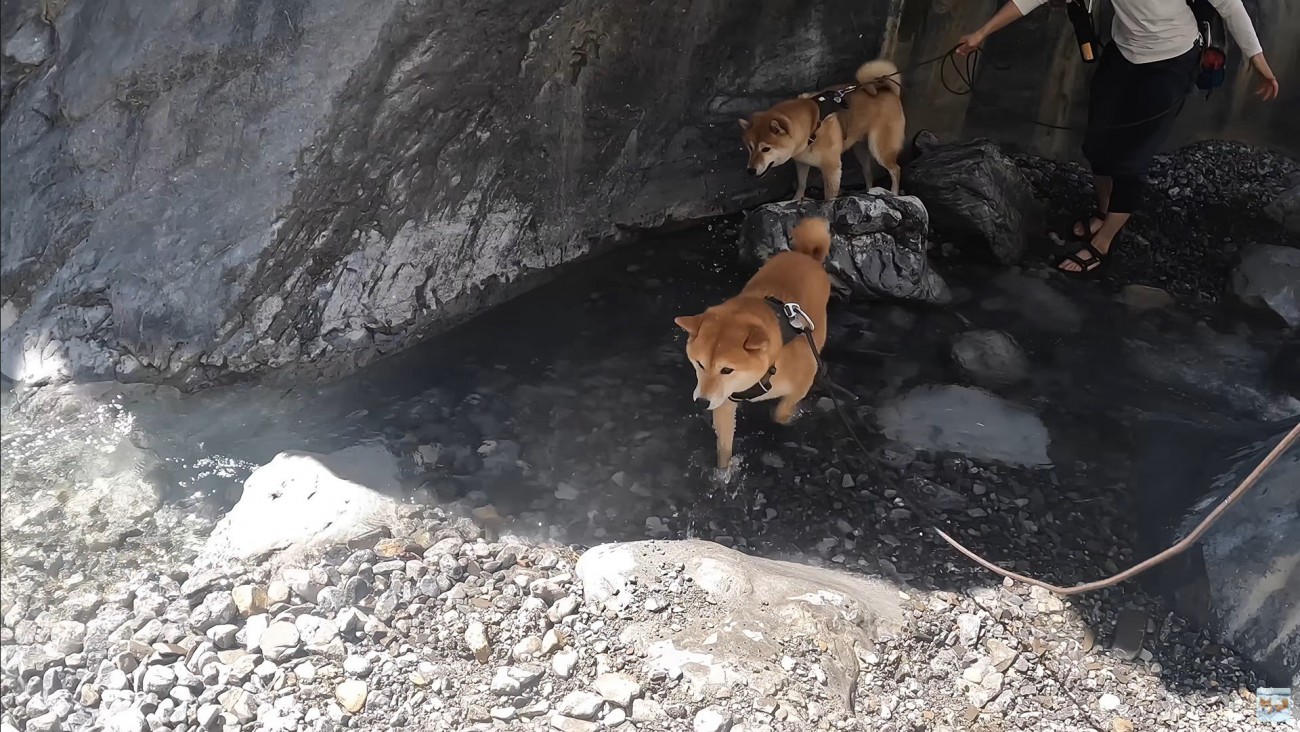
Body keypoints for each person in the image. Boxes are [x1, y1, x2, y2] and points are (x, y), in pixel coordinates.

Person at [956, 0, 1279, 276]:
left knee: (1132, 161)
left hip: (1171, 63)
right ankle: (1104, 210)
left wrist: (1258, 60)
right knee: (1097, 145)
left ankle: (1104, 240)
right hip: (1123, 57)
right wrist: (982, 32)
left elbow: (1230, 6)